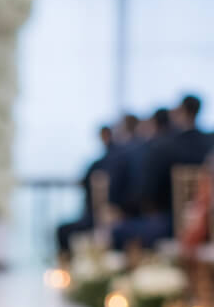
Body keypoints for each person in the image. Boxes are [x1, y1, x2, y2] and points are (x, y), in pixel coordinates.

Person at [113, 95, 211, 250]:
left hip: (171, 222)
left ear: (180, 112)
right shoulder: (210, 142)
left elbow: (147, 192)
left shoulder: (164, 146)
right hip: (208, 223)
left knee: (118, 231)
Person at [56, 125, 116, 259]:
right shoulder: (104, 161)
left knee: (63, 231)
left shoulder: (103, 163)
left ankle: (66, 266)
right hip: (101, 213)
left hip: (101, 215)